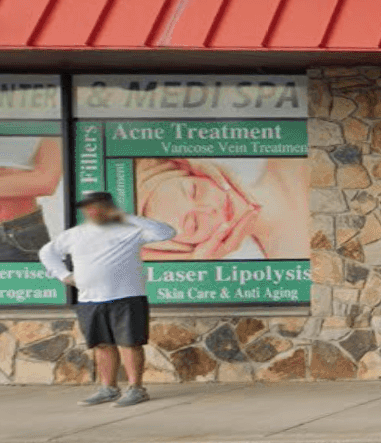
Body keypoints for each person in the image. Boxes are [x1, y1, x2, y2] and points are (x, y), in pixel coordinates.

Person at [36, 191, 175, 407]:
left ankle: (136, 389)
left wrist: (125, 216)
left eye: (97, 206)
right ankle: (108, 388)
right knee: (101, 345)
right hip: (90, 299)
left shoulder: (128, 230)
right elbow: (47, 252)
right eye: (88, 207)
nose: (92, 211)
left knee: (130, 344)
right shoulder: (75, 234)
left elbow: (166, 232)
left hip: (127, 297)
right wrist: (64, 276)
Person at [134, 157, 309, 260]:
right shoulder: (291, 263)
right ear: (192, 249)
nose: (210, 209)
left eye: (196, 191)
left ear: (198, 172)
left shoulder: (292, 156)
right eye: (195, 224)